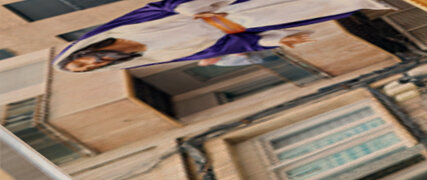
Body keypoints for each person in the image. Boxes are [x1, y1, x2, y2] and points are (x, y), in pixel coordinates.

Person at [54, 0, 392, 72]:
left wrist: (190, 10)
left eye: (80, 62)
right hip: (258, 21)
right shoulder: (157, 56)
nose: (90, 64)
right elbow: (229, 44)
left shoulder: (123, 29)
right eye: (87, 70)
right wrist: (277, 40)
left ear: (81, 51)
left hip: (235, 5)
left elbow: (163, 4)